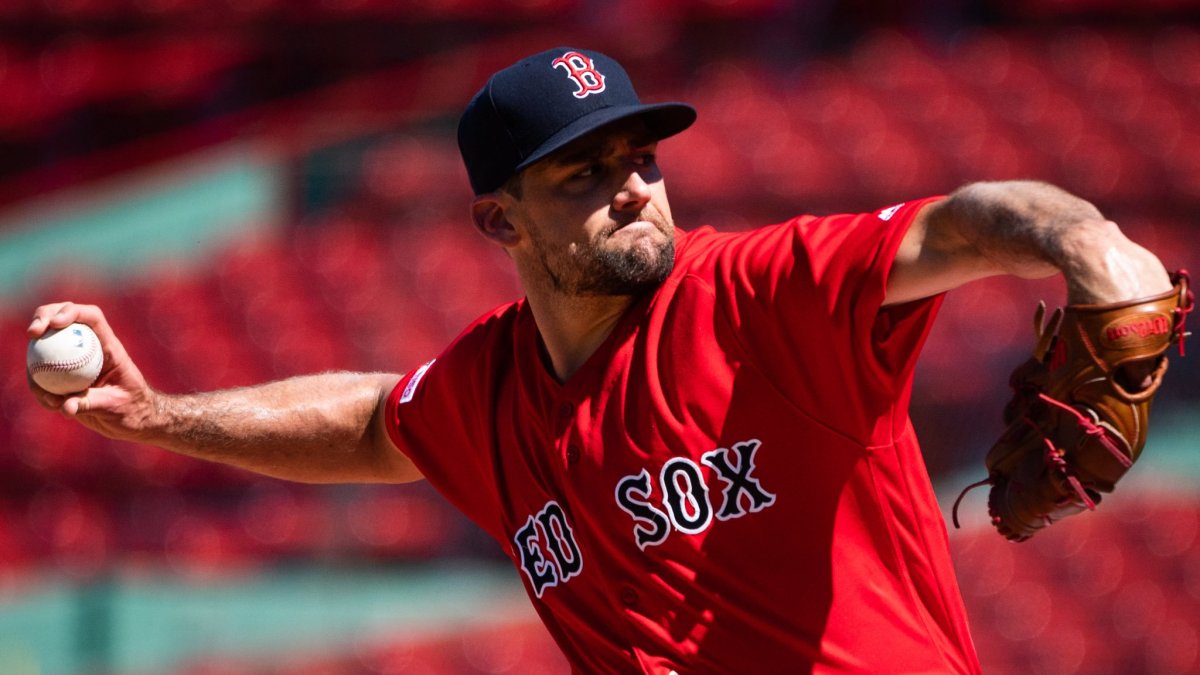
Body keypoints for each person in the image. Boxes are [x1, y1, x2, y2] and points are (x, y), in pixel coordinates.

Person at [27, 47, 1174, 673]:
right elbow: (379, 422)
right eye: (583, 170)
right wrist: (156, 416)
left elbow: (967, 223)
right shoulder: (489, 390)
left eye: (641, 155)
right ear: (499, 221)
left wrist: (1086, 244)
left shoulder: (760, 294)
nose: (631, 182)